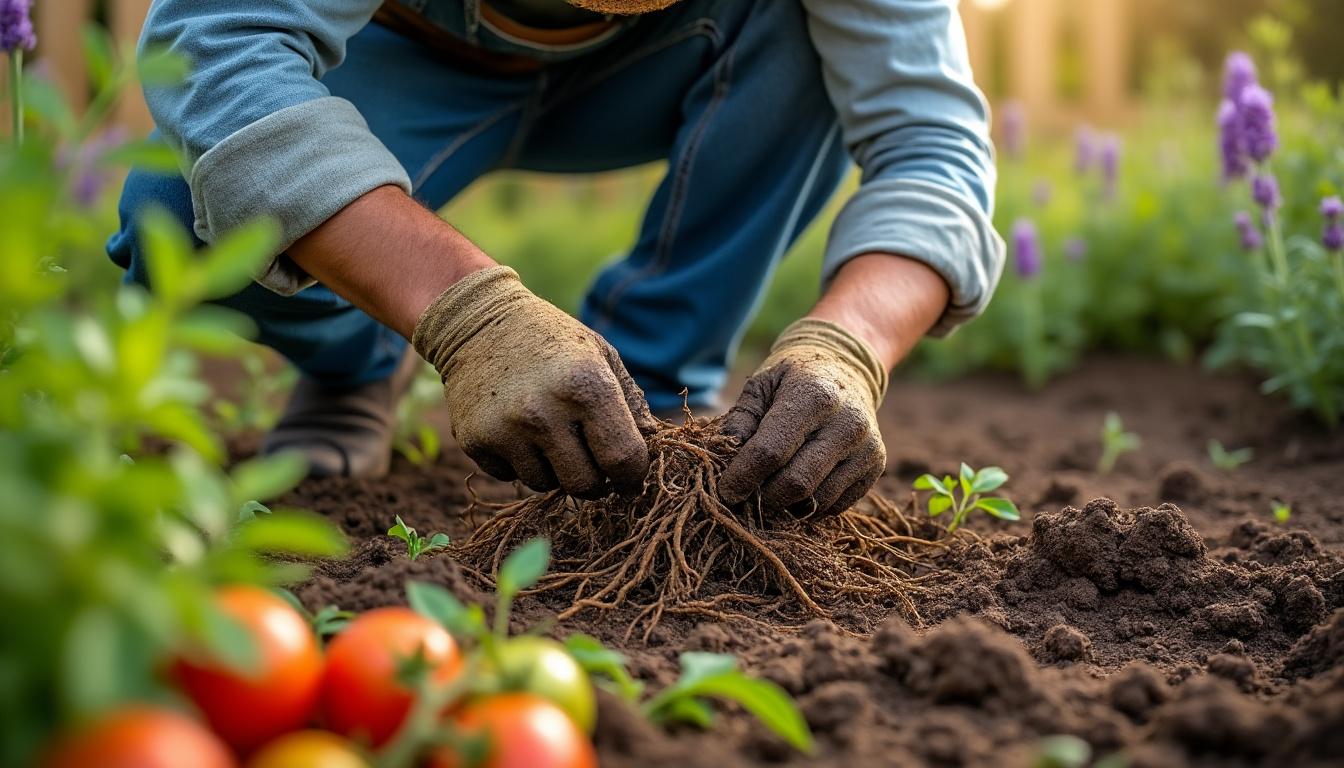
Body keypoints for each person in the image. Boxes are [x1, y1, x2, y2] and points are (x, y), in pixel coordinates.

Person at [108, 0, 1002, 517]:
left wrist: (850, 347)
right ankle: (353, 366)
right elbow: (218, 49)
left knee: (796, 32)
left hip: (676, 52)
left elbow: (934, 146)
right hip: (392, 56)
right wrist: (470, 317)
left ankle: (651, 405)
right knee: (180, 215)